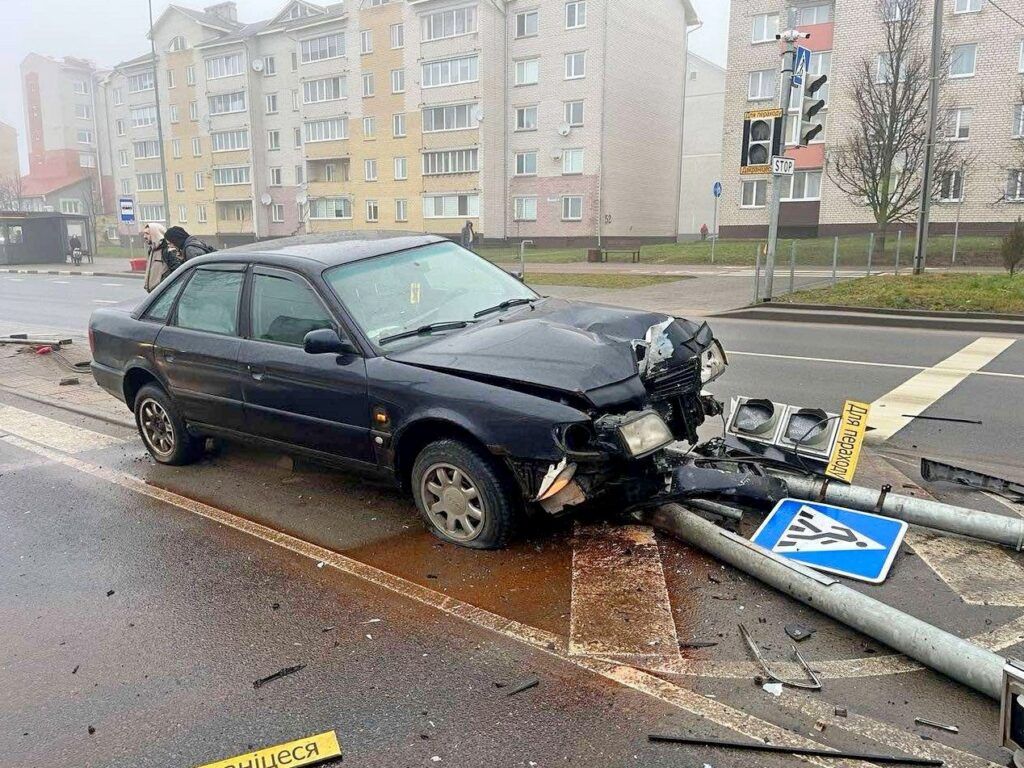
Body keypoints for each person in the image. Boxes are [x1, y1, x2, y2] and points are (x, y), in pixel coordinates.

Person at [142, 222, 179, 292]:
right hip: (154, 293)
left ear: (155, 234)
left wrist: (164, 286)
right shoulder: (151, 250)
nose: (144, 236)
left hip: (164, 293)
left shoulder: (168, 251)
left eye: (147, 234)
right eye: (144, 234)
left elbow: (177, 272)